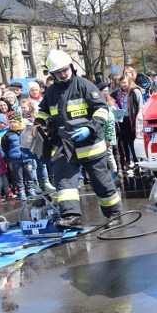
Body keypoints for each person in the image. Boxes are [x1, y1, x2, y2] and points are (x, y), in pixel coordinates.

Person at [34, 49, 121, 229]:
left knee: (102, 182)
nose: (63, 74)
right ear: (52, 74)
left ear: (71, 67)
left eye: (65, 70)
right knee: (65, 183)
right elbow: (42, 112)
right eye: (58, 72)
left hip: (90, 145)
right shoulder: (51, 92)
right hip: (64, 145)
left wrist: (90, 128)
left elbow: (102, 109)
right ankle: (71, 216)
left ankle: (114, 214)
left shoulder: (85, 85)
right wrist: (38, 123)